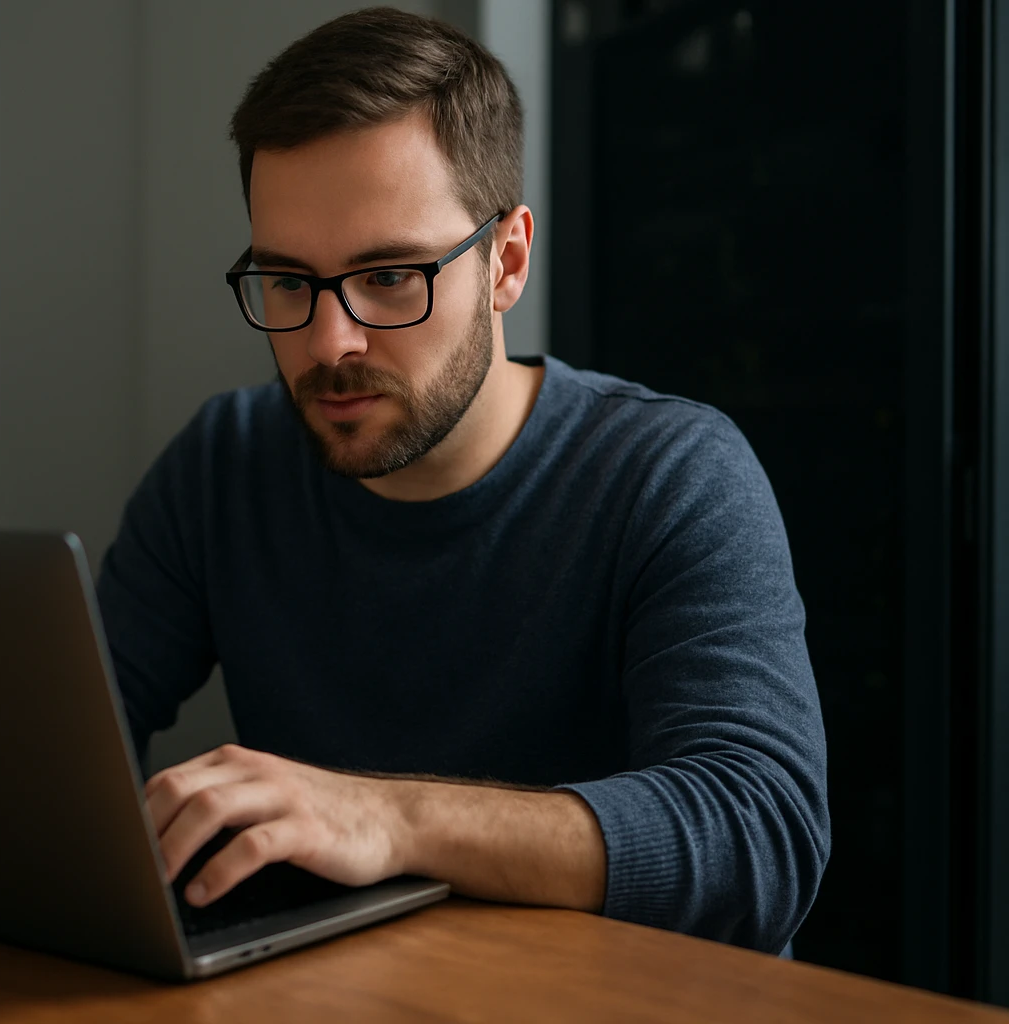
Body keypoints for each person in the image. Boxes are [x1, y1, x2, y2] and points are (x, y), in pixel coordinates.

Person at [95, 7, 828, 954]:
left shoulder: (672, 473)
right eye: (287, 282)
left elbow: (758, 838)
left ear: (505, 263)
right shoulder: (223, 465)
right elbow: (59, 750)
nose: (330, 344)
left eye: (391, 276)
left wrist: (387, 819)